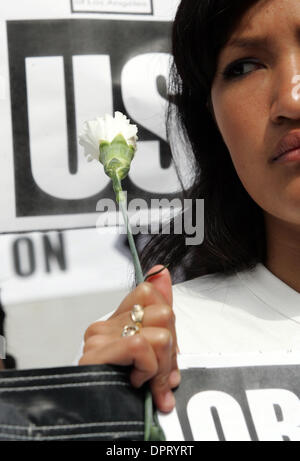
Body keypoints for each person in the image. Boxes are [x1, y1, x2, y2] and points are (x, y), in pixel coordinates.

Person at [79, 0, 300, 414]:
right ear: (211, 122)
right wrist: (105, 416)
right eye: (244, 66)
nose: (291, 99)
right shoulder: (155, 354)